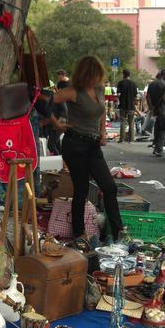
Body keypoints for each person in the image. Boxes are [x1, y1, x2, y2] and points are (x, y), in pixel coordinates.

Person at [55, 56, 123, 243]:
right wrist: (57, 123)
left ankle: (118, 231)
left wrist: (102, 132)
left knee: (109, 187)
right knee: (81, 189)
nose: (97, 79)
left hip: (93, 145)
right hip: (75, 144)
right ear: (86, 75)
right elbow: (47, 102)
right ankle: (79, 233)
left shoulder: (99, 88)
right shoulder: (72, 91)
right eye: (94, 76)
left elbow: (101, 113)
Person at [147, 68, 165, 156]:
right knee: (164, 130)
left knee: (157, 129)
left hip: (155, 111)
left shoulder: (152, 84)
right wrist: (156, 106)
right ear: (164, 74)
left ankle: (156, 147)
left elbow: (148, 97)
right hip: (163, 110)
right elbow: (164, 98)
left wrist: (151, 108)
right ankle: (159, 149)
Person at [116, 69, 138, 143]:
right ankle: (131, 140)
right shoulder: (133, 83)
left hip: (123, 106)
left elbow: (118, 94)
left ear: (123, 74)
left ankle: (121, 139)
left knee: (122, 122)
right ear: (129, 75)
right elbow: (136, 95)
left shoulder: (120, 83)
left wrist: (120, 98)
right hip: (131, 106)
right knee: (131, 122)